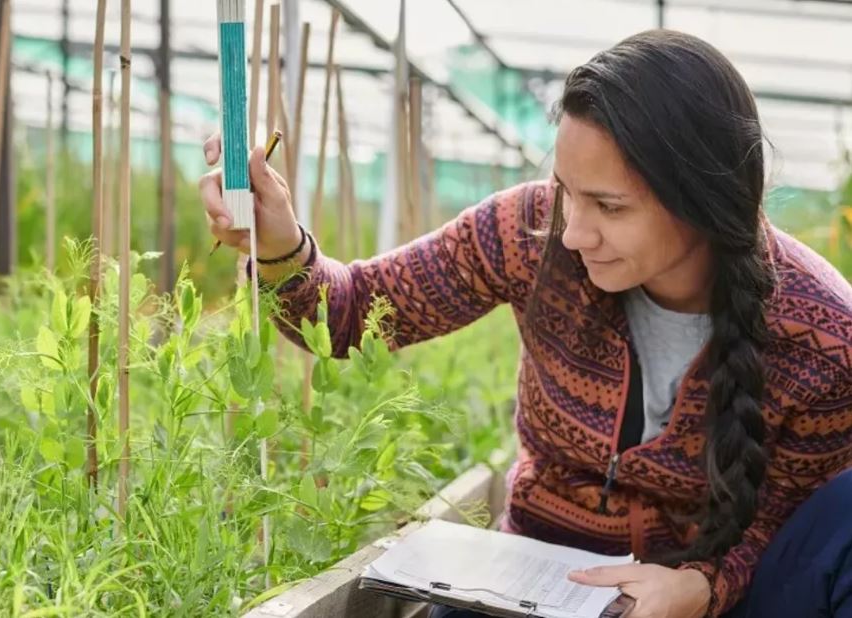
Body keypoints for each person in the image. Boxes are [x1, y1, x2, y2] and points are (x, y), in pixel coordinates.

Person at [199, 29, 852, 618]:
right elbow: (353, 315)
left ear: (705, 201)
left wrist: (704, 587)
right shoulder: (528, 233)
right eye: (568, 191)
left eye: (609, 206)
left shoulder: (823, 337)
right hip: (537, 584)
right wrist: (281, 244)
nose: (573, 233)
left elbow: (777, 526)